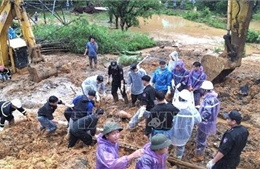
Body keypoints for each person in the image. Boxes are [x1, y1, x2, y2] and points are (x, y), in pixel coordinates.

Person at [193, 80, 220, 162]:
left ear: (205, 90)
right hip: (211, 122)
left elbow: (207, 113)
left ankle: (199, 155)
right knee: (204, 138)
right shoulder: (214, 98)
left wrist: (200, 118)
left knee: (201, 139)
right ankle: (200, 152)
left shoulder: (208, 100)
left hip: (205, 123)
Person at [171, 89, 202, 160]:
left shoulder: (174, 106)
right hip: (185, 132)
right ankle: (178, 159)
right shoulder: (191, 109)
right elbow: (198, 120)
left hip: (173, 131)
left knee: (170, 143)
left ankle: (169, 156)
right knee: (181, 146)